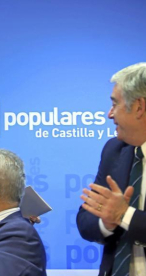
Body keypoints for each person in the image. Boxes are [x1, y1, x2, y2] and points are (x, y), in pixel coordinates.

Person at [77, 62, 146, 276]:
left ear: (139, 107)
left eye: (114, 104)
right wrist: (106, 222)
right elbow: (86, 220)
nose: (109, 114)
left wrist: (125, 215)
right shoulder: (114, 150)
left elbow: (121, 214)